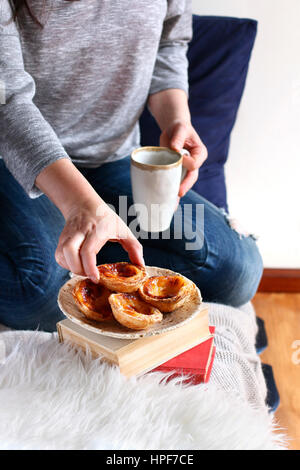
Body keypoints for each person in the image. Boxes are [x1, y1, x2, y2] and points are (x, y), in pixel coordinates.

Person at [0, 0, 263, 332]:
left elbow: (169, 42)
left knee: (237, 271)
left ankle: (90, 258)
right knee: (39, 296)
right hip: (14, 163)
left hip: (112, 158)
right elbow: (7, 98)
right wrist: (81, 203)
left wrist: (176, 119)